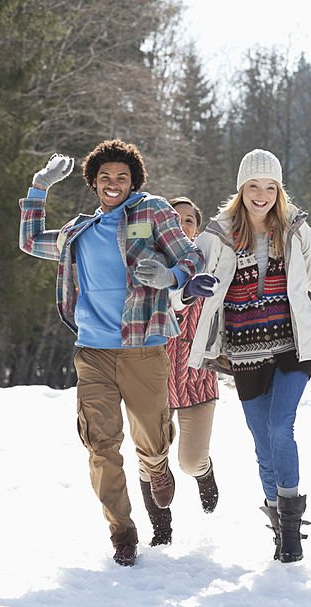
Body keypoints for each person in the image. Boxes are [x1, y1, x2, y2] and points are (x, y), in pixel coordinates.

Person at [180, 149, 311, 563]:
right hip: (244, 352)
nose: (262, 195)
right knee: (262, 442)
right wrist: (189, 289)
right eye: (254, 187)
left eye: (270, 187)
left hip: (294, 346)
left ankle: (292, 532)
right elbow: (184, 282)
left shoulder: (294, 230)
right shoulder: (217, 235)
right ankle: (277, 521)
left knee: (280, 427)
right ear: (242, 190)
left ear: (279, 191)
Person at [18, 139, 206, 567]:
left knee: (152, 435)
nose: (113, 183)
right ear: (93, 183)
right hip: (94, 352)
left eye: (122, 177)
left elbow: (192, 258)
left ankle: (157, 464)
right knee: (100, 445)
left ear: (133, 181)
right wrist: (38, 186)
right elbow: (30, 241)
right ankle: (122, 531)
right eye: (105, 177)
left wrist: (169, 275)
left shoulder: (153, 210)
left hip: (144, 348)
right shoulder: (78, 231)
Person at [139, 197, 220, 547]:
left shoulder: (211, 273)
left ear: (196, 231)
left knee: (189, 461)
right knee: (149, 465)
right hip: (151, 387)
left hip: (197, 386)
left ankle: (204, 472)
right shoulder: (142, 271)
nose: (182, 225)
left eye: (189, 221)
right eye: (174, 220)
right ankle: (162, 531)